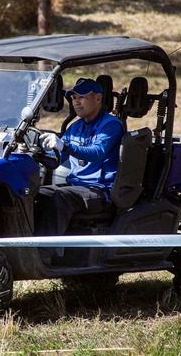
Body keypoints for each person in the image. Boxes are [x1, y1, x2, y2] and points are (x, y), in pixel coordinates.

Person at [35, 78, 124, 240]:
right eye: (74, 98)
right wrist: (37, 153)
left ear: (98, 98)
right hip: (77, 186)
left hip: (100, 190)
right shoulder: (75, 127)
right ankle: (26, 245)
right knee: (36, 194)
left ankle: (43, 253)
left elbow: (97, 152)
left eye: (82, 97)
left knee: (61, 197)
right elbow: (58, 158)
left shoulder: (110, 125)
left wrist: (65, 146)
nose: (77, 102)